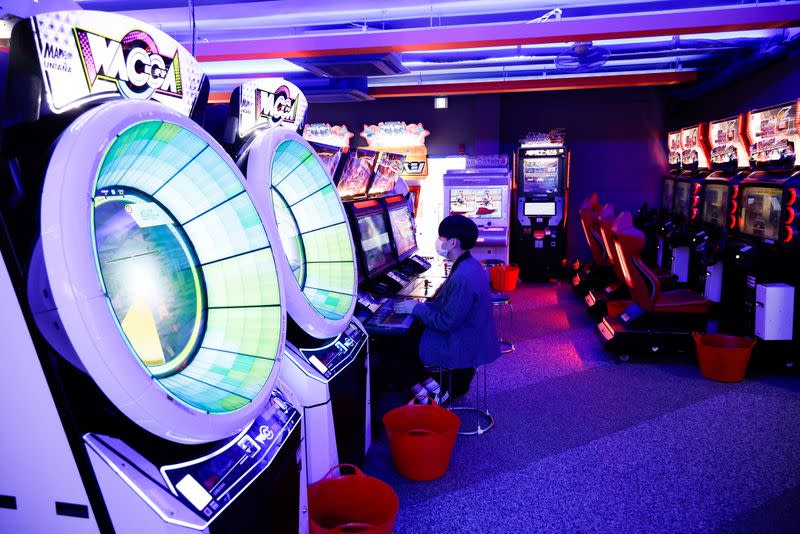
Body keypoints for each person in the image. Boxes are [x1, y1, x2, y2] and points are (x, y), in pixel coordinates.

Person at [392, 214, 500, 402]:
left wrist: (416, 308)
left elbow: (445, 322)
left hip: (460, 342)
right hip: (469, 335)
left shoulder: (463, 276)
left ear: (453, 243)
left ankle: (426, 395)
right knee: (409, 333)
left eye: (441, 237)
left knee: (392, 347)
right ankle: (431, 384)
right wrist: (421, 307)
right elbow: (449, 308)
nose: (438, 241)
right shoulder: (469, 264)